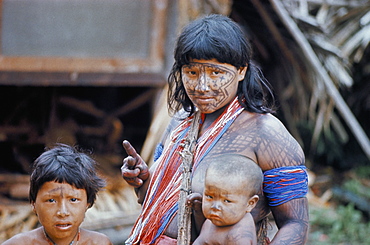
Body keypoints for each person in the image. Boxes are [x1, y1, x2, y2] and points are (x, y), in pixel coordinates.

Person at [121, 14, 309, 245]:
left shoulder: (266, 134)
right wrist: (144, 179)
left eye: (216, 73)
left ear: (241, 71)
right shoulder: (179, 123)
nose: (201, 86)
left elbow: (296, 224)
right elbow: (166, 202)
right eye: (192, 72)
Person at [2, 144, 113, 245]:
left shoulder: (99, 242)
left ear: (88, 203)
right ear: (33, 204)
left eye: (73, 200)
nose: (62, 212)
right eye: (51, 200)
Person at [187, 154, 263, 245]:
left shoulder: (239, 235)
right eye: (210, 196)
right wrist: (198, 209)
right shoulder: (214, 220)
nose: (215, 207)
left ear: (250, 203)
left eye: (227, 201)